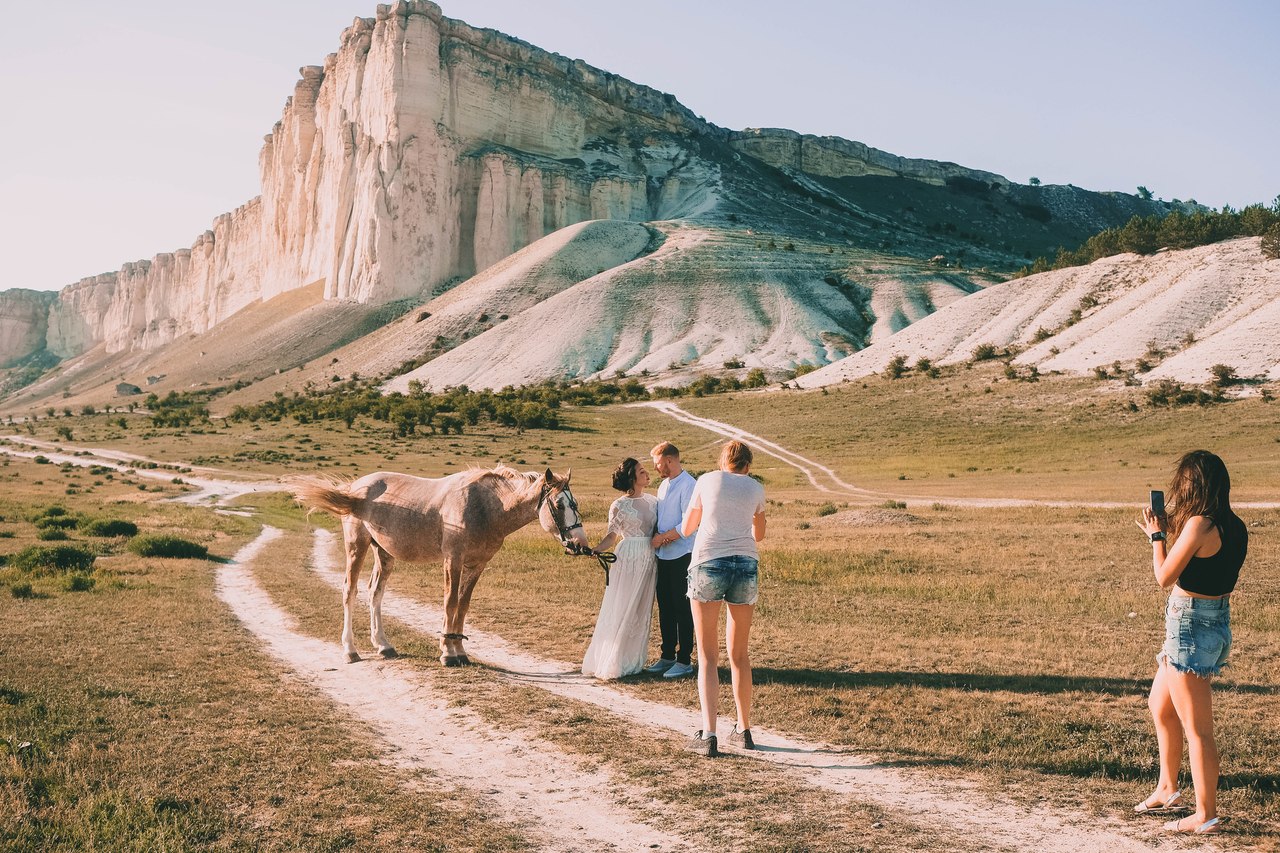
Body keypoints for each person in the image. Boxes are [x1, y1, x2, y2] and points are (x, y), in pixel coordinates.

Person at [1134, 450, 1247, 835]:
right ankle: (1168, 787)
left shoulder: (1199, 525)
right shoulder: (1234, 525)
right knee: (1159, 704)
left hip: (1189, 626)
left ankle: (1206, 813)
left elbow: (1165, 577)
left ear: (1193, 485)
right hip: (1213, 622)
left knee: (1198, 730)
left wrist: (1157, 537)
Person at [680, 440, 766, 756]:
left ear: (723, 461)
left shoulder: (706, 480)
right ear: (748, 464)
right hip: (745, 564)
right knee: (739, 655)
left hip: (708, 562)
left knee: (707, 656)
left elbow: (689, 527)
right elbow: (759, 535)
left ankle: (709, 734)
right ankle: (743, 730)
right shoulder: (756, 489)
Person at [581, 458, 659, 680]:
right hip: (628, 558)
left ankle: (633, 660)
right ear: (632, 478)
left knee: (641, 609)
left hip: (649, 558)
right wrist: (595, 549)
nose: (646, 473)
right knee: (623, 605)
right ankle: (613, 658)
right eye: (641, 471)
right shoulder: (619, 505)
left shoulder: (654, 501)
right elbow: (611, 536)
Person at [646, 441, 697, 679]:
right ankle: (667, 656)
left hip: (682, 555)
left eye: (657, 464)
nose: (655, 469)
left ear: (669, 460)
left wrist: (663, 538)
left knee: (682, 609)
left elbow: (689, 525)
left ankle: (684, 659)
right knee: (665, 606)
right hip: (663, 556)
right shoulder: (663, 486)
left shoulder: (689, 485)